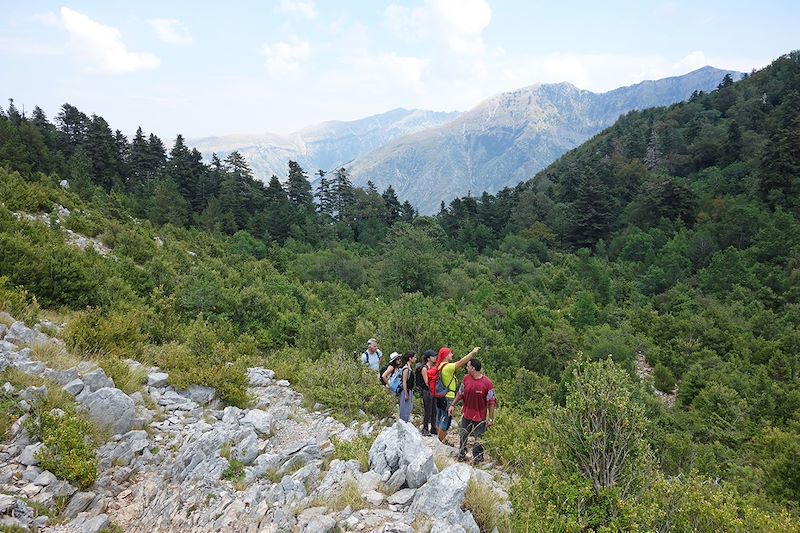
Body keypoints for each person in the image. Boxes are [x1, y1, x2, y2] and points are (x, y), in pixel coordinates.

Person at [448, 358, 496, 464]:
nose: (466, 367)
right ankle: (461, 455)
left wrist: (491, 419)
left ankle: (478, 459)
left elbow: (492, 402)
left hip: (480, 416)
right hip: (467, 414)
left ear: (473, 368)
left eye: (468, 366)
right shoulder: (466, 379)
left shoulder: (487, 384)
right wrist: (452, 405)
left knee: (478, 439)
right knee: (463, 435)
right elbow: (460, 393)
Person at [433, 346, 480, 445]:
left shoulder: (439, 366)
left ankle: (440, 440)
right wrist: (472, 352)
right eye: (450, 353)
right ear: (445, 355)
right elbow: (462, 362)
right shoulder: (448, 367)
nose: (452, 355)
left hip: (440, 395)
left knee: (439, 417)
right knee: (447, 419)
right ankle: (442, 441)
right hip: (448, 396)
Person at [415, 350, 437, 436]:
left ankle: (433, 428)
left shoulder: (433, 367)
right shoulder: (424, 368)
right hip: (427, 391)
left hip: (433, 390)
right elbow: (427, 382)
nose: (435, 358)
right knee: (428, 410)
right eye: (433, 356)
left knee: (434, 410)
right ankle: (425, 428)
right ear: (428, 358)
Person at [399, 351, 417, 422]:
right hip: (406, 391)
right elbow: (404, 381)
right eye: (414, 357)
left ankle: (406, 422)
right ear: (410, 358)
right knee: (405, 408)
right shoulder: (406, 369)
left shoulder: (409, 368)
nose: (415, 359)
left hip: (409, 390)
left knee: (408, 408)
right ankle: (403, 422)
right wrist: (406, 393)